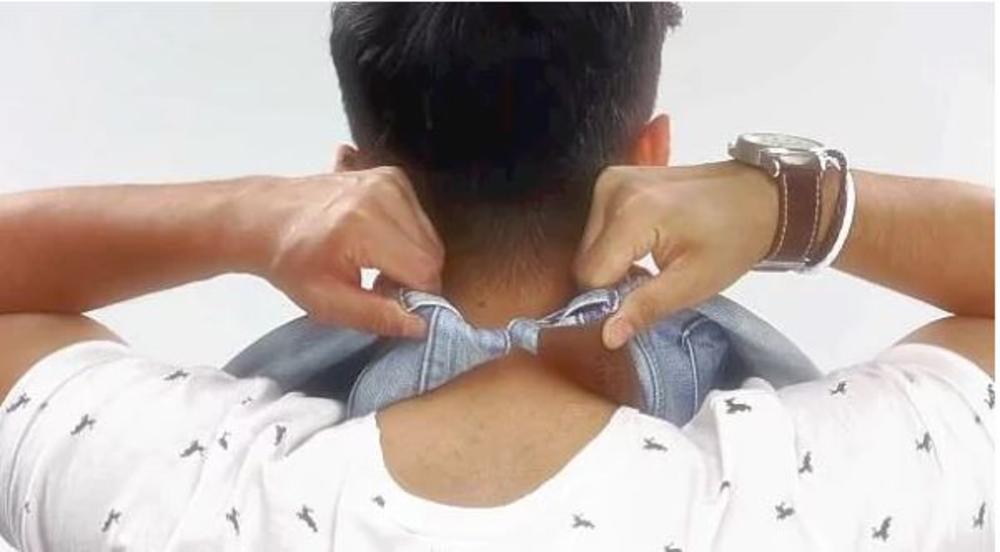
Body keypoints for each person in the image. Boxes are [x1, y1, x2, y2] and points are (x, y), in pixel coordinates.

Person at [0, 3, 993, 551]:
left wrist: (248, 214)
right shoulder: (803, 502)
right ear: (650, 157)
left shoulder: (189, 495)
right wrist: (788, 203)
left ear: (355, 181)